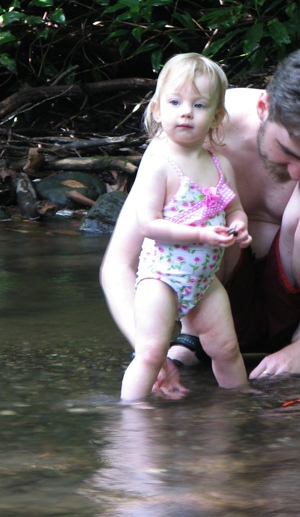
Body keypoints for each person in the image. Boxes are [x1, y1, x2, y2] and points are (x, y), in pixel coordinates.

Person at [101, 46, 300, 387]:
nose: (297, 174)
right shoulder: (200, 124)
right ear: (264, 107)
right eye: (289, 153)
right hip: (213, 302)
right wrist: (149, 350)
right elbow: (119, 263)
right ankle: (193, 340)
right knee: (201, 213)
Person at [115, 52, 252, 401]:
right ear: (158, 110)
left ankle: (240, 406)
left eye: (199, 105)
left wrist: (239, 227)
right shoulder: (158, 161)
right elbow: (148, 223)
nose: (186, 112)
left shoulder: (220, 164)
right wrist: (200, 235)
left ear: (216, 117)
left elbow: (234, 207)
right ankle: (131, 422)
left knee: (226, 350)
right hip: (161, 277)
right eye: (176, 102)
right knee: (150, 354)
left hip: (203, 281)